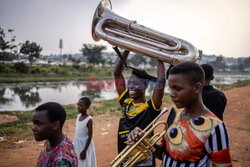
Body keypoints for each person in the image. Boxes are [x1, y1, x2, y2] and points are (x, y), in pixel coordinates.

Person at [127, 62, 232, 167]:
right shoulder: (175, 114)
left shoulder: (216, 127)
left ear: (197, 88)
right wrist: (144, 141)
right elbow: (164, 154)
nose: (172, 94)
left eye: (177, 89)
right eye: (171, 88)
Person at [114, 50, 166, 167]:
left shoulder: (150, 107)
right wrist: (127, 49)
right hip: (124, 157)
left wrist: (159, 56)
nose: (131, 86)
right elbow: (117, 73)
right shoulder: (126, 101)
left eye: (136, 83)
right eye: (130, 82)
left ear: (145, 85)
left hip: (143, 160)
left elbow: (161, 81)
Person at [32, 102, 78, 167]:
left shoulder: (62, 161)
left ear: (55, 125)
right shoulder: (51, 140)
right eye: (34, 123)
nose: (33, 128)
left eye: (39, 124)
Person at [73, 97, 97, 167]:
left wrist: (84, 151)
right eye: (78, 105)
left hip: (85, 145)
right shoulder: (78, 116)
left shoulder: (89, 120)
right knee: (78, 161)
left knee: (85, 163)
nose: (78, 107)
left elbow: (89, 136)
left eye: (81, 105)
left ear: (87, 107)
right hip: (77, 144)